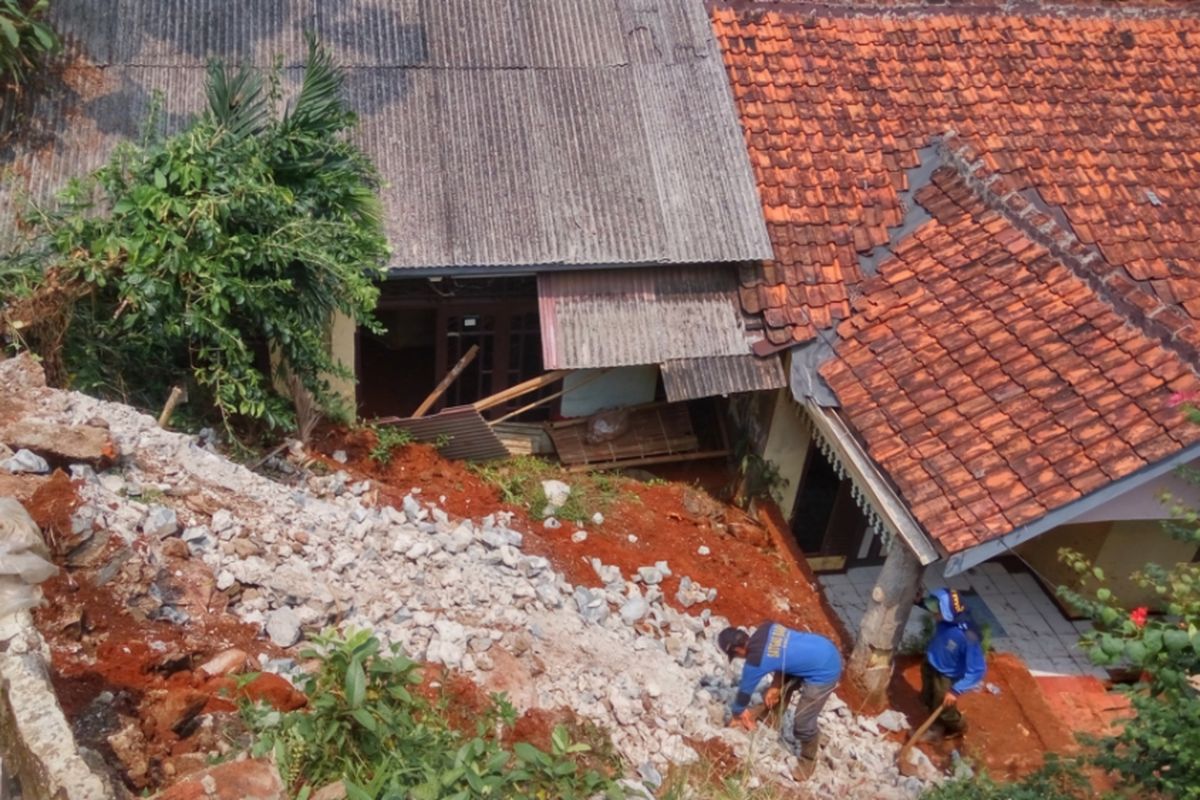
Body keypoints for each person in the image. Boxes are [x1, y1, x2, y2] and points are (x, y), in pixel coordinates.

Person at [717, 621, 842, 778]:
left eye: (735, 656)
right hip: (823, 648)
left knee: (802, 721)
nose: (739, 658)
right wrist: (775, 686)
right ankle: (772, 718)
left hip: (825, 671)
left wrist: (737, 714)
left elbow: (744, 693)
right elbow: (780, 653)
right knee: (777, 689)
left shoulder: (755, 661)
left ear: (737, 650)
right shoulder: (766, 628)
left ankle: (808, 760)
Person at [921, 588, 986, 738]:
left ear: (947, 613)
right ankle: (934, 719)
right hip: (932, 663)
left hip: (947, 677)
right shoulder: (945, 619)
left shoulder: (968, 636)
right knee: (928, 696)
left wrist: (956, 691)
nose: (932, 613)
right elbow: (930, 606)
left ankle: (958, 727)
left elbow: (977, 669)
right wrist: (919, 601)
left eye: (936, 611)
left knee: (945, 710)